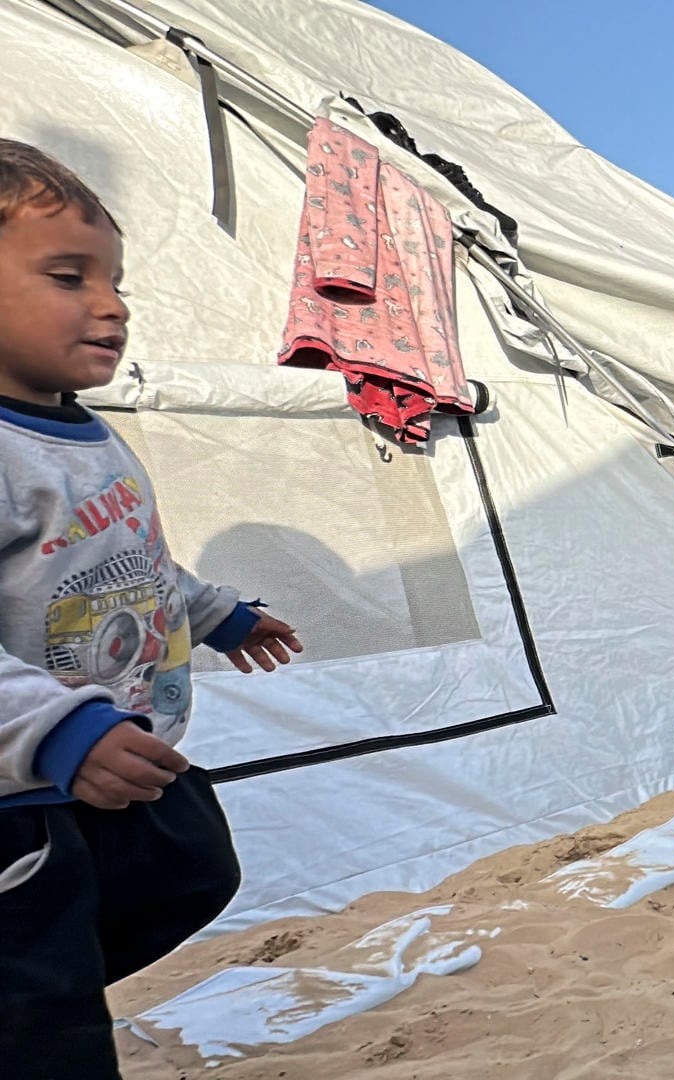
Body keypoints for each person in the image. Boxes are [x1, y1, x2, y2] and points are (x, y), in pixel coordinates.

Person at [0, 140, 306, 1079]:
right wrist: (59, 729)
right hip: (21, 792)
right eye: (68, 277)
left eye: (116, 281)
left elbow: (129, 560)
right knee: (47, 1026)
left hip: (113, 758)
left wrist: (218, 614)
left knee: (196, 864)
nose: (113, 304)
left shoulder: (90, 436)